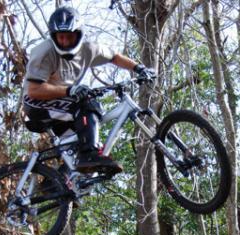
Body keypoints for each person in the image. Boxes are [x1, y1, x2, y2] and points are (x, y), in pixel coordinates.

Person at [23, 6, 155, 174]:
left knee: (82, 143)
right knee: (87, 105)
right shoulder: (44, 52)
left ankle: (57, 184)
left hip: (63, 105)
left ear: (78, 34)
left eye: (69, 37)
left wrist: (139, 68)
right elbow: (33, 90)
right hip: (36, 104)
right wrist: (69, 91)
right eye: (61, 37)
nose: (64, 42)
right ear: (53, 36)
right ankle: (89, 155)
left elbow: (114, 56)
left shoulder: (89, 49)